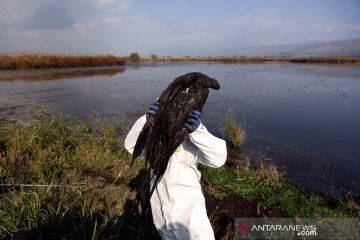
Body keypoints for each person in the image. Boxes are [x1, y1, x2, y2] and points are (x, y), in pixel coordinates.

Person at [125, 100, 227, 240]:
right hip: (160, 205)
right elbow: (132, 148)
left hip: (189, 209)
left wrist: (198, 131)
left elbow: (218, 159)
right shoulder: (154, 138)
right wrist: (145, 121)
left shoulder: (191, 138)